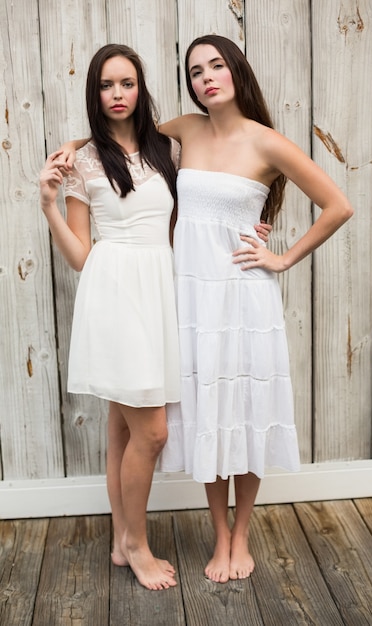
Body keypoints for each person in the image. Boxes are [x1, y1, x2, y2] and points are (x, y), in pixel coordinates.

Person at [60, 34, 354, 585]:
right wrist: (71, 146)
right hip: (187, 297)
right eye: (196, 72)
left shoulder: (268, 142)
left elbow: (338, 205)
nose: (206, 78)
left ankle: (239, 538)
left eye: (216, 66)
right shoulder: (184, 132)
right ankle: (215, 536)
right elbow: (122, 136)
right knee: (205, 414)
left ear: (236, 70)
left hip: (243, 294)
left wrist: (281, 257)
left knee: (243, 406)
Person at [39, 44, 181, 591]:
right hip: (115, 295)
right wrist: (50, 204)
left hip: (159, 292)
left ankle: (123, 540)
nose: (117, 94)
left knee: (123, 429)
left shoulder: (167, 148)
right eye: (106, 85)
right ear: (94, 93)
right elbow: (81, 253)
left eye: (126, 83)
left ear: (140, 87)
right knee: (153, 432)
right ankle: (139, 546)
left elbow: (178, 228)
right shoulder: (86, 163)